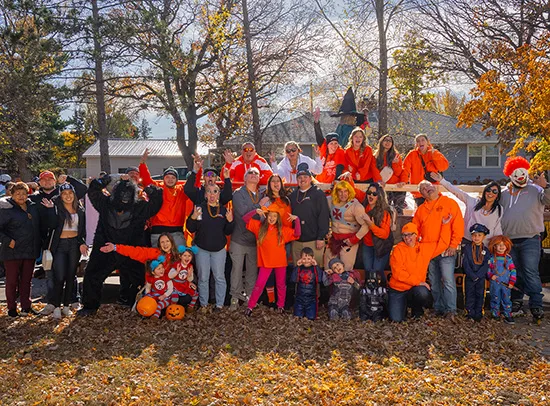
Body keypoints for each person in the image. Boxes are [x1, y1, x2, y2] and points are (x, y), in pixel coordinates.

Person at [78, 175, 163, 316]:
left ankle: (138, 304)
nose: (125, 196)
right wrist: (108, 178)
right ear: (116, 193)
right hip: (105, 248)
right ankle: (90, 306)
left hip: (130, 250)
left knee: (139, 278)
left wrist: (149, 189)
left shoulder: (139, 207)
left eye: (128, 194)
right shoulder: (105, 204)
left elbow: (156, 201)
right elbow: (93, 189)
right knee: (92, 275)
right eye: (122, 193)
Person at [500, 156, 549, 322]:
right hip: (509, 240)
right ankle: (516, 301)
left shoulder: (536, 190)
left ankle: (536, 304)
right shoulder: (504, 193)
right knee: (515, 273)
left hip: (530, 238)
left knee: (530, 272)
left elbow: (548, 200)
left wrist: (546, 185)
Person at [412, 180, 464, 317]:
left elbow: (458, 225)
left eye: (428, 185)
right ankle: (438, 307)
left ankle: (451, 310)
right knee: (434, 282)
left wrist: (454, 245)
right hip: (428, 252)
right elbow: (414, 230)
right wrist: (417, 247)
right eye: (423, 189)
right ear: (422, 194)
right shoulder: (421, 210)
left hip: (446, 249)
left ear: (435, 187)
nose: (427, 188)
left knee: (448, 281)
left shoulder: (449, 203)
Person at [388, 220, 452, 322]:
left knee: (422, 292)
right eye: (404, 235)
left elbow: (442, 243)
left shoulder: (424, 248)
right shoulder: (397, 250)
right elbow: (398, 274)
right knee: (396, 319)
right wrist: (418, 282)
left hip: (414, 289)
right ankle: (402, 306)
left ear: (416, 235)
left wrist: (445, 225)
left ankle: (416, 309)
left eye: (410, 235)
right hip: (398, 289)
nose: (407, 238)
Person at [243, 207, 301, 316]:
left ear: (278, 218)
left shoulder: (282, 230)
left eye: (275, 216)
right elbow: (245, 219)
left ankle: (280, 306)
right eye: (270, 215)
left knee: (281, 285)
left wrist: (296, 220)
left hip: (280, 262)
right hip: (266, 263)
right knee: (259, 284)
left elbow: (297, 234)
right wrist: (255, 212)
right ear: (266, 216)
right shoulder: (260, 228)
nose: (272, 218)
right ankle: (250, 306)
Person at [43, 183, 88, 319]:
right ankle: (56, 306)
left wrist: (83, 243)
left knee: (70, 276)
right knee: (59, 276)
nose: (68, 196)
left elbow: (82, 231)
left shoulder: (80, 209)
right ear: (60, 196)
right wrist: (51, 210)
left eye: (70, 193)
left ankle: (67, 306)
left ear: (74, 195)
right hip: (60, 245)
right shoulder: (57, 208)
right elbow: (51, 225)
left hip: (74, 244)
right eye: (64, 193)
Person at [186, 184, 234, 311]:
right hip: (202, 248)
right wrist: (193, 218)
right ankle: (203, 304)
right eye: (209, 192)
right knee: (203, 277)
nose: (212, 195)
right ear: (205, 195)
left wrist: (230, 221)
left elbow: (228, 231)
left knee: (219, 277)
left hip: (219, 249)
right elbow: (191, 228)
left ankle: (219, 304)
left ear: (219, 195)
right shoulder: (199, 208)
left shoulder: (223, 211)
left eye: (215, 192)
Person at [0, 182, 44, 317]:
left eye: (24, 193)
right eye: (17, 193)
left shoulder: (32, 207)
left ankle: (26, 307)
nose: (21, 196)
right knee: (12, 281)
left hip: (30, 250)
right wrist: (9, 241)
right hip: (12, 251)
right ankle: (12, 308)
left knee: (26, 281)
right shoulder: (6, 209)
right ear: (11, 194)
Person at [431, 172, 503, 242]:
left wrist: (498, 242)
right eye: (488, 190)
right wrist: (442, 181)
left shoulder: (499, 209)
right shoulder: (472, 202)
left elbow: (497, 228)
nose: (491, 193)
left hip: (487, 244)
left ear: (497, 195)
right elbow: (457, 192)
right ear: (484, 192)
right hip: (469, 241)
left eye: (495, 191)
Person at [139, 148, 188, 247]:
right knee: (159, 260)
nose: (170, 180)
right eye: (167, 177)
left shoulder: (181, 190)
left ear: (177, 180)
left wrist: (198, 170)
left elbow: (193, 184)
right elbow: (146, 180)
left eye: (173, 177)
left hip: (177, 231)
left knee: (180, 258)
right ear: (163, 178)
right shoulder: (158, 187)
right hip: (158, 231)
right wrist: (142, 163)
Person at [229, 167, 262, 310]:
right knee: (236, 270)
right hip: (239, 238)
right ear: (245, 178)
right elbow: (244, 214)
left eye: (256, 173)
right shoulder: (238, 193)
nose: (253, 175)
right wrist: (259, 207)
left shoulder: (262, 194)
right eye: (250, 173)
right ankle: (235, 297)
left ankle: (250, 298)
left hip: (255, 240)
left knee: (252, 272)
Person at [289, 163, 330, 266]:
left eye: (305, 177)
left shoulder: (318, 194)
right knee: (297, 271)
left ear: (310, 178)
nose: (302, 179)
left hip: (314, 240)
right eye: (300, 177)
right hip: (296, 241)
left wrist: (321, 237)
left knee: (315, 271)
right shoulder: (293, 195)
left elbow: (324, 216)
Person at [326, 180, 368, 270]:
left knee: (346, 268)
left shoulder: (356, 206)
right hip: (334, 239)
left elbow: (366, 225)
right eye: (340, 191)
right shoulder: (329, 201)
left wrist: (354, 239)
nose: (343, 194)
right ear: (336, 192)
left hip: (349, 241)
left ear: (350, 192)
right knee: (328, 267)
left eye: (346, 191)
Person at [360, 183, 394, 285]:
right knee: (368, 270)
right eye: (369, 193)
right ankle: (369, 294)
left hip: (381, 245)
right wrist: (347, 176)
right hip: (367, 244)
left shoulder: (384, 212)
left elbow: (384, 234)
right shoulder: (364, 206)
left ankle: (382, 291)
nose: (371, 196)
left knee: (377, 271)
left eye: (374, 194)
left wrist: (371, 224)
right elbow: (354, 191)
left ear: (379, 196)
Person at [402, 134, 449, 207]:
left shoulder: (434, 153)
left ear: (428, 142)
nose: (420, 142)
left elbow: (443, 167)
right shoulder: (412, 154)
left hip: (433, 191)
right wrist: (403, 181)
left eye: (422, 140)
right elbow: (405, 170)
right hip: (419, 192)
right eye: (418, 141)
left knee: (436, 214)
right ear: (416, 144)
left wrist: (435, 156)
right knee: (422, 215)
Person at [463, 223, 491, 322]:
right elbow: (465, 263)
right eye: (474, 235)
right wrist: (472, 275)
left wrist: (478, 275)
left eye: (479, 235)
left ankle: (479, 313)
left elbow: (486, 265)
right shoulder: (467, 248)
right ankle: (469, 313)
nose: (477, 237)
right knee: (469, 294)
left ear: (484, 236)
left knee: (480, 295)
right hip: (470, 276)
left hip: (481, 277)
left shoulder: (486, 251)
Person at [374, 134, 407, 214]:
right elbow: (374, 171)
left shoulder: (396, 156)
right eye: (386, 140)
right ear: (381, 142)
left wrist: (395, 164)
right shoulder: (375, 156)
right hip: (383, 187)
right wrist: (379, 181)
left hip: (397, 187)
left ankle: (398, 226)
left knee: (398, 211)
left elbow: (399, 172)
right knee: (383, 210)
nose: (388, 142)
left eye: (390, 141)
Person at [487, 235, 516, 324]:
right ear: (494, 246)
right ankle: (495, 313)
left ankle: (508, 314)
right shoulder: (491, 259)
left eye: (503, 244)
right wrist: (491, 276)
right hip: (495, 283)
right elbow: (488, 270)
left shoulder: (508, 259)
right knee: (495, 297)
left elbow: (513, 271)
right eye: (498, 244)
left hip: (506, 284)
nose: (501, 247)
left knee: (506, 298)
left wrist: (512, 282)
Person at [290, 247, 324, 320]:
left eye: (309, 259)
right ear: (300, 258)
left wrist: (316, 266)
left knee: (310, 318)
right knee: (297, 317)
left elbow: (320, 279)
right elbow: (293, 279)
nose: (306, 261)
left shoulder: (315, 269)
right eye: (304, 259)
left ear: (313, 258)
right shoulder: (299, 268)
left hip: (311, 298)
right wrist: (297, 267)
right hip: (300, 298)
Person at [168, 245, 199, 311]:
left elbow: (189, 280)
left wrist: (190, 275)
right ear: (180, 256)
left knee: (195, 294)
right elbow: (169, 276)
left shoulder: (190, 266)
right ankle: (171, 309)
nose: (187, 258)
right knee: (175, 298)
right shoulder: (177, 265)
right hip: (175, 285)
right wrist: (176, 271)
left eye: (189, 256)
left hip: (184, 285)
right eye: (185, 255)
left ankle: (190, 307)